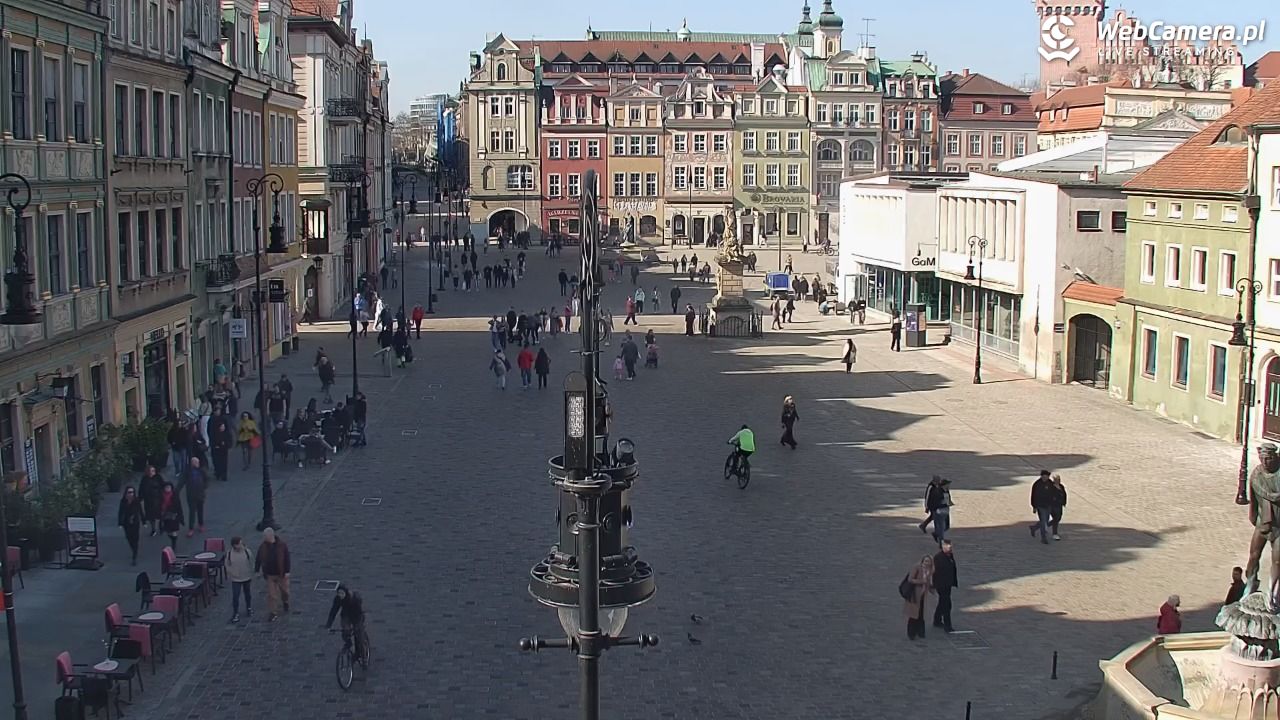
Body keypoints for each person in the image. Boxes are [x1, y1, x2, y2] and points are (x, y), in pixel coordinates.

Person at [325, 584, 368, 662]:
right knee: (345, 631)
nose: (340, 595)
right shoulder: (337, 599)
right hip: (346, 615)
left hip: (357, 615)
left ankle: (364, 658)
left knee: (360, 638)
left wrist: (356, 627)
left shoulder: (354, 599)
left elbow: (358, 613)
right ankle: (348, 643)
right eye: (339, 593)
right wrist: (329, 624)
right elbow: (333, 611)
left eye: (342, 593)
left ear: (346, 593)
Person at [255, 528, 291, 621]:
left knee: (285, 592)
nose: (264, 538)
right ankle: (273, 612)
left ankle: (285, 601)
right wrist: (257, 570)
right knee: (272, 595)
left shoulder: (282, 545)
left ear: (271, 536)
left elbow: (287, 558)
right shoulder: (263, 546)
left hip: (281, 574)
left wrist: (287, 571)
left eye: (265, 536)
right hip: (270, 575)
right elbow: (258, 558)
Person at [904, 555, 935, 640]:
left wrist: (931, 589)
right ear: (922, 561)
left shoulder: (930, 570)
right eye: (925, 561)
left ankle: (920, 632)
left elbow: (929, 582)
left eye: (928, 561)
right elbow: (910, 579)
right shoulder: (917, 567)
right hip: (914, 594)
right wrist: (921, 581)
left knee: (921, 614)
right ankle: (911, 633)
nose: (927, 563)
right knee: (913, 614)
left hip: (923, 595)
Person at [225, 536, 255, 623]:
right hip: (236, 579)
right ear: (235, 545)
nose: (241, 545)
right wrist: (232, 573)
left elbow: (252, 562)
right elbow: (227, 565)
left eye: (241, 543)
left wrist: (251, 572)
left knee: (247, 594)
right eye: (239, 544)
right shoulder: (229, 553)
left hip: (246, 577)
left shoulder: (247, 551)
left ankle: (249, 608)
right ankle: (235, 613)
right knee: (235, 596)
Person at [932, 540, 959, 633]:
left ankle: (937, 620)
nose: (950, 548)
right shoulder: (938, 558)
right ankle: (948, 625)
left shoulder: (950, 556)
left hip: (948, 584)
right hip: (941, 585)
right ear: (943, 547)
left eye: (950, 546)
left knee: (942, 602)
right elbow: (934, 572)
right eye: (948, 546)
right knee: (947, 604)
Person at [180, 456, 208, 537]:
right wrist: (177, 490)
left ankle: (200, 524)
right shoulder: (187, 471)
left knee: (200, 510)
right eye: (195, 462)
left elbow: (206, 479)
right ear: (191, 463)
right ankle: (191, 528)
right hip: (191, 495)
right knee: (192, 512)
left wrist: (204, 487)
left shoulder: (202, 471)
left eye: (197, 462)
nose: (197, 464)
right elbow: (182, 481)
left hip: (200, 494)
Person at [118, 486, 144, 565]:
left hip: (135, 522)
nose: (131, 494)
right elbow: (120, 512)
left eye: (132, 492)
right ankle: (133, 549)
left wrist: (144, 521)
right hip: (126, 523)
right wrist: (120, 523)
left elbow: (140, 511)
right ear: (126, 493)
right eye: (129, 492)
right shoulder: (123, 501)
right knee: (129, 538)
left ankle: (134, 556)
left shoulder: (136, 501)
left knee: (135, 539)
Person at [1029, 470, 1056, 544]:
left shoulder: (1050, 483)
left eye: (1046, 477)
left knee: (1046, 520)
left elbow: (1053, 493)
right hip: (1040, 505)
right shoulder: (1037, 484)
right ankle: (1043, 538)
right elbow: (1033, 496)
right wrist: (1034, 506)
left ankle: (1034, 528)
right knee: (1043, 521)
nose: (1045, 478)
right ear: (1041, 476)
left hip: (1048, 505)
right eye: (1044, 477)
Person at [208, 408, 233, 482]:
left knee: (223, 460)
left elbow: (228, 432)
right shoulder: (212, 420)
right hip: (215, 444)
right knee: (217, 460)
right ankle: (219, 473)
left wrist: (228, 443)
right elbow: (210, 432)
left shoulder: (223, 419)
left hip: (223, 445)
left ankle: (222, 474)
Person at [139, 465, 164, 536]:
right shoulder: (144, 479)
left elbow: (163, 485)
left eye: (153, 471)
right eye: (150, 471)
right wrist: (140, 498)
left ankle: (161, 526)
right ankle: (153, 529)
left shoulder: (158, 477)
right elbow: (141, 489)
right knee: (151, 516)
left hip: (158, 499)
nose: (152, 472)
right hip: (148, 500)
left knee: (160, 514)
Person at [158, 482, 184, 549]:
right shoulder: (161, 495)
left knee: (174, 531)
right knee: (169, 531)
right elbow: (158, 505)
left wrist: (181, 517)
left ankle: (174, 543)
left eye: (169, 487)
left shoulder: (175, 495)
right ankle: (172, 538)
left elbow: (179, 506)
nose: (168, 488)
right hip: (165, 515)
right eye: (166, 487)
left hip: (174, 515)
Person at [1049, 473, 1067, 541]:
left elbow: (1064, 494)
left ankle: (1043, 525)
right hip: (1053, 505)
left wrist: (1064, 502)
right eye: (1056, 479)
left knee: (1058, 518)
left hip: (1060, 504)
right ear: (1054, 480)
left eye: (1059, 479)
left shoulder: (1061, 486)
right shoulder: (1051, 487)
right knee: (1056, 518)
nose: (1058, 481)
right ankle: (1055, 533)